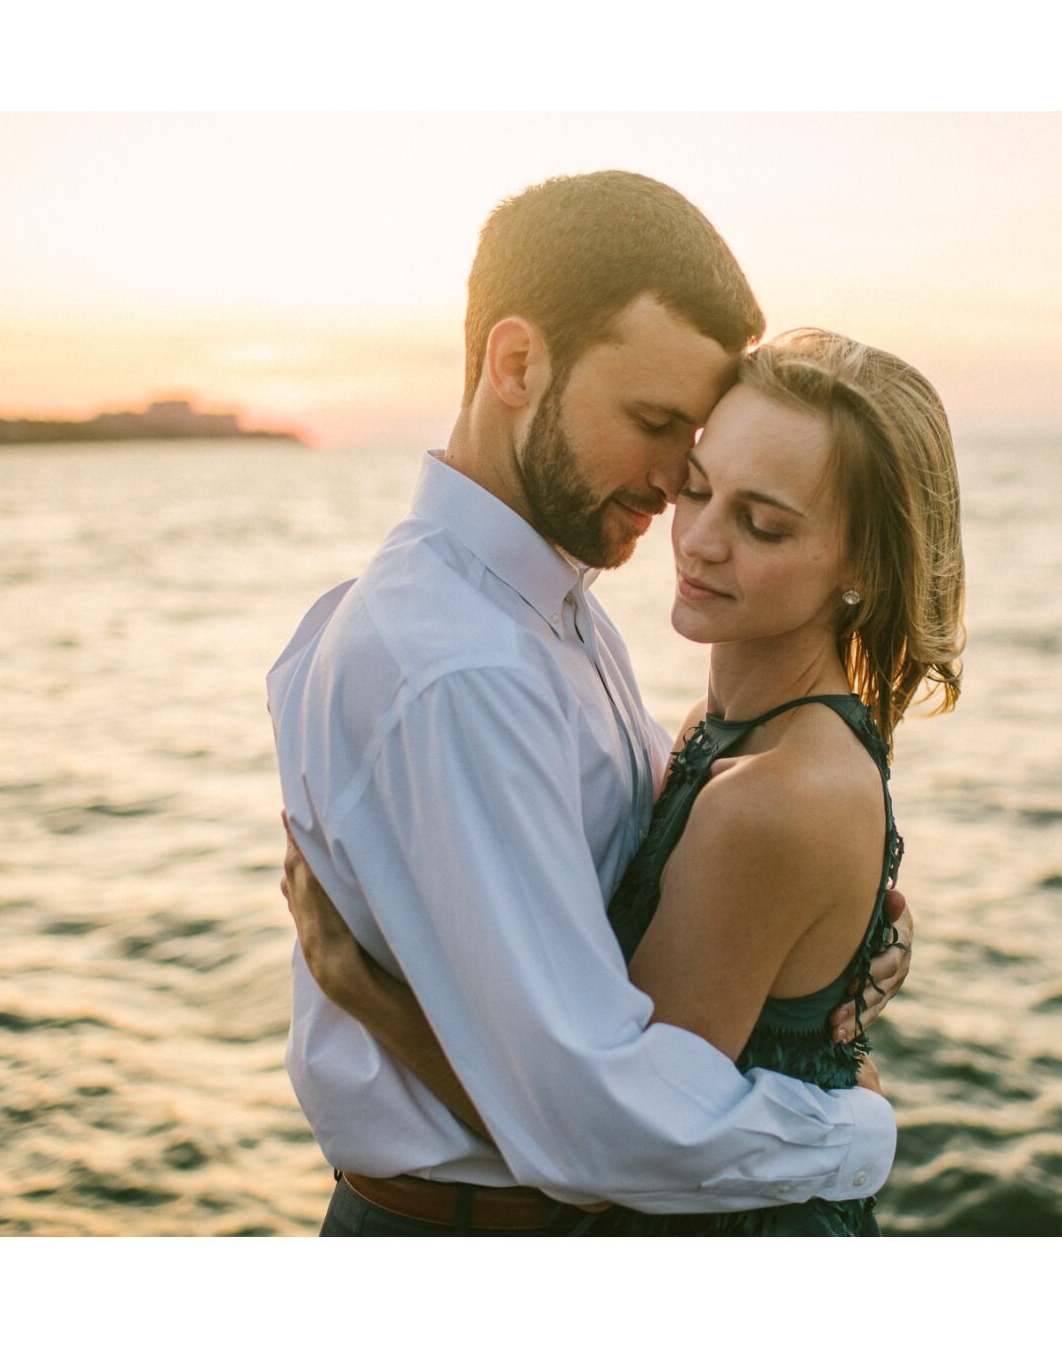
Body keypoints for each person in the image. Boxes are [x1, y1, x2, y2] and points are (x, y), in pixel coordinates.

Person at [267, 172, 920, 1237]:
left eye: (694, 442)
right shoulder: (460, 666)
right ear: (516, 363)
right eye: (656, 423)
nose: (678, 487)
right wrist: (850, 1132)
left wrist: (827, 939)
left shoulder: (552, 611)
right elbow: (588, 1116)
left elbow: (655, 865)